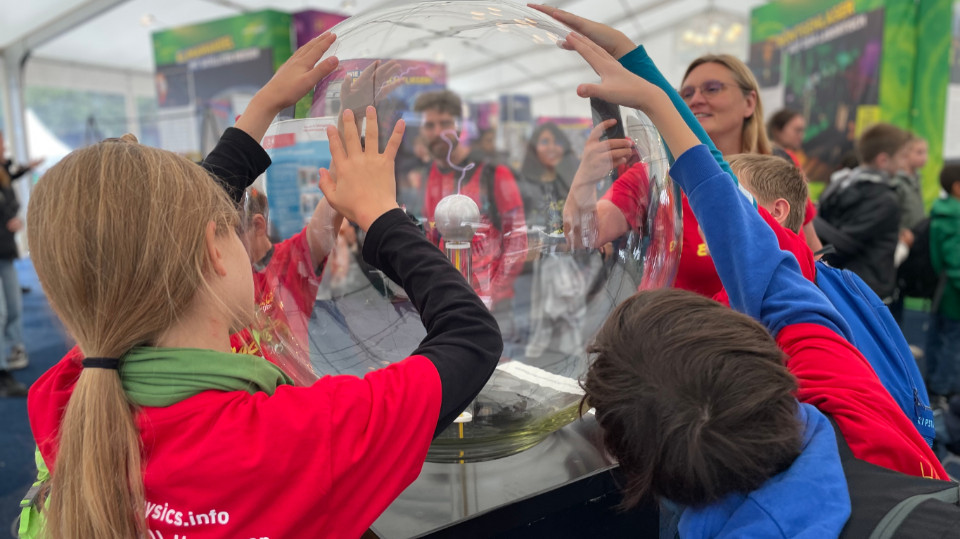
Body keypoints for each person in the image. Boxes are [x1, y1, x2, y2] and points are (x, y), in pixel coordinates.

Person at [22, 34, 502, 539]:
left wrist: (264, 109)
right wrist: (383, 218)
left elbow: (152, 240)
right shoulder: (291, 438)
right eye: (232, 223)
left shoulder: (67, 393)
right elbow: (471, 338)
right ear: (214, 248)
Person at [535, 0, 945, 479]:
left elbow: (784, 256)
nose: (697, 98)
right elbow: (587, 233)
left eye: (713, 87)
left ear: (750, 101)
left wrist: (648, 85)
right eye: (686, 92)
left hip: (740, 388)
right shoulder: (657, 177)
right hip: (670, 371)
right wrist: (586, 179)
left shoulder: (774, 191)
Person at [415, 89, 527, 315]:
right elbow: (431, 235)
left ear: (458, 125)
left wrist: (493, 294)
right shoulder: (429, 176)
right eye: (430, 125)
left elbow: (517, 238)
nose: (438, 132)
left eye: (445, 123)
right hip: (448, 299)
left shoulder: (494, 173)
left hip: (492, 304)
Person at [814, 123, 906, 301]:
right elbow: (846, 244)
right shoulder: (885, 200)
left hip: (837, 285)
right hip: (865, 292)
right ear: (883, 160)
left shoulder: (840, 184)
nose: (903, 164)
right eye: (901, 157)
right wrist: (810, 220)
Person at [0, 133, 41, 397]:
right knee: (1, 313)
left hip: (5, 252)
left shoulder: (3, 172)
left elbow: (11, 179)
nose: (4, 147)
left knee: (13, 307)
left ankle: (13, 351)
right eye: (0, 143)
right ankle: (2, 372)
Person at [925, 164, 960, 403]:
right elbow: (955, 261)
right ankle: (943, 394)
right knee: (951, 343)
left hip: (945, 290)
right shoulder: (954, 217)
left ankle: (937, 388)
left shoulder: (944, 213)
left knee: (942, 340)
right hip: (954, 294)